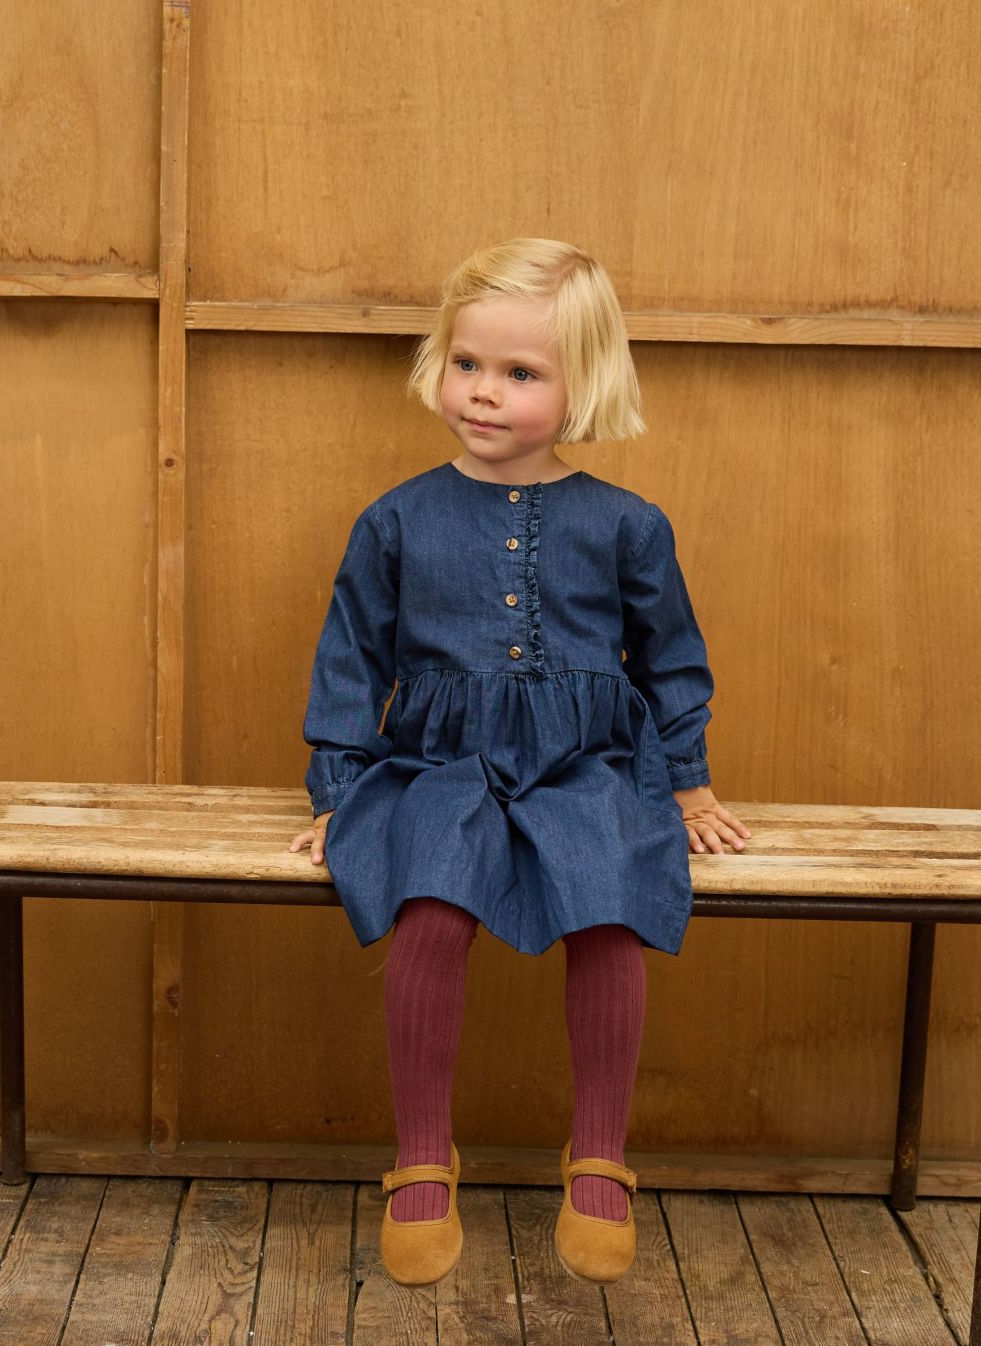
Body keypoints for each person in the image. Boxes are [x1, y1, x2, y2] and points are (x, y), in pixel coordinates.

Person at [289, 237, 751, 1288]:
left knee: (609, 905)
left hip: (586, 762)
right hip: (438, 765)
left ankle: (600, 1154)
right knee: (430, 905)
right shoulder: (395, 520)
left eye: (520, 372)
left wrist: (687, 782)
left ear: (583, 385)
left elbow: (672, 657)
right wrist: (340, 790)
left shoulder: (627, 525)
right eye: (467, 363)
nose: (484, 392)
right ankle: (421, 1153)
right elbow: (351, 659)